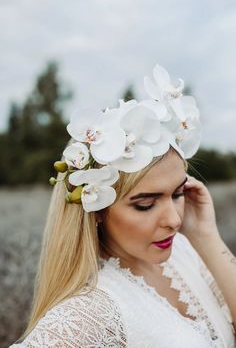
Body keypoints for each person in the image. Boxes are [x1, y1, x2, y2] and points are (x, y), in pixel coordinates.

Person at [10, 64, 236, 348]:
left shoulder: (185, 252)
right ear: (98, 210)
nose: (175, 220)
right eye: (145, 204)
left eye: (177, 194)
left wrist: (206, 235)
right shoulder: (89, 313)